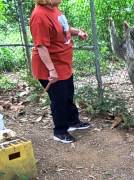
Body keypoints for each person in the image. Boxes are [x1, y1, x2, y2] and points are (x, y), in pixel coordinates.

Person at [30, 0, 90, 143]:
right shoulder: (39, 16)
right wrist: (51, 70)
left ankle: (72, 121)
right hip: (50, 66)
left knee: (68, 94)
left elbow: (63, 27)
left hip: (63, 63)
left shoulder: (54, 8)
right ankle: (60, 131)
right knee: (59, 100)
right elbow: (41, 46)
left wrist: (77, 32)